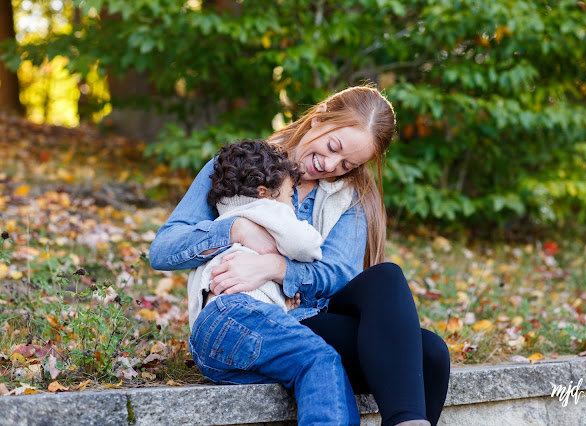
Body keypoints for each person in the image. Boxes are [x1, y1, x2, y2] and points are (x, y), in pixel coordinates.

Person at [150, 85, 451, 426]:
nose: (330, 165)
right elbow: (163, 249)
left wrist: (276, 267)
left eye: (347, 164)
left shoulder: (348, 197)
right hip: (249, 316)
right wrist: (235, 230)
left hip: (310, 316)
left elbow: (338, 274)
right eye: (333, 147)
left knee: (428, 348)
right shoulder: (242, 167)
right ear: (319, 119)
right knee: (423, 356)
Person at [187, 139, 360, 424]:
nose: (292, 201)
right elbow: (306, 245)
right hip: (236, 313)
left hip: (209, 344)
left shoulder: (223, 217)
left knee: (292, 366)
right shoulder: (269, 209)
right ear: (265, 192)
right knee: (321, 359)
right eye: (291, 193)